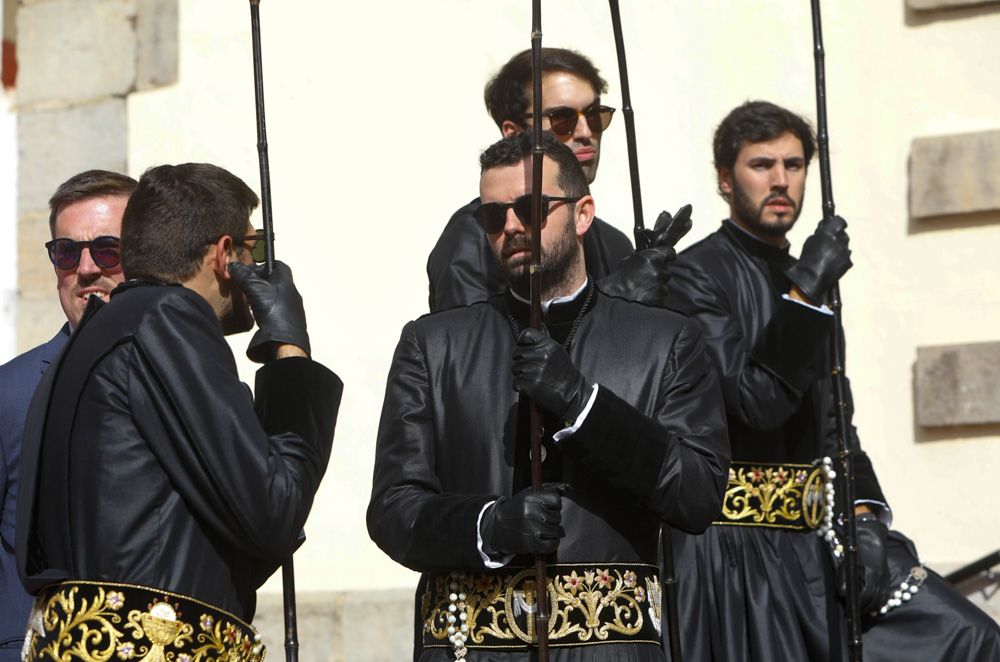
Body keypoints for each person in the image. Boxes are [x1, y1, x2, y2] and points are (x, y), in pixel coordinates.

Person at [369, 132, 730, 661]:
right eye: (494, 217)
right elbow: (393, 509)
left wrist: (584, 404)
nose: (512, 226)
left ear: (583, 214)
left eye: (531, 208)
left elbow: (697, 495)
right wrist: (488, 525)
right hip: (475, 650)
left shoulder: (666, 341)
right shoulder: (434, 344)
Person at [665, 100, 1000, 661]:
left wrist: (868, 518)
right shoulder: (695, 276)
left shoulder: (811, 282)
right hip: (743, 555)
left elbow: (836, 424)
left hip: (824, 538)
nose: (780, 180)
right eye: (761, 164)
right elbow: (755, 402)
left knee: (971, 639)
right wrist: (806, 291)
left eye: (794, 166)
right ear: (725, 179)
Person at [15, 163, 342, 660]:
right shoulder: (167, 316)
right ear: (222, 254)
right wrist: (290, 351)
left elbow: (228, 539)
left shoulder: (92, 338)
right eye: (252, 250)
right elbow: (274, 508)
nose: (256, 269)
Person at [0, 170, 135, 661]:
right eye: (65, 252)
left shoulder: (191, 383)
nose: (85, 269)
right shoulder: (10, 393)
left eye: (108, 250)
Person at [427, 47, 675, 312]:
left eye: (593, 115)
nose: (584, 132)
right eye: (562, 119)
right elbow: (470, 347)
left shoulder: (613, 242)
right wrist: (613, 300)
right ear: (513, 133)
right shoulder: (478, 235)